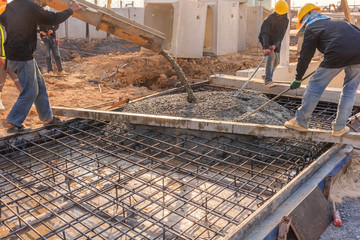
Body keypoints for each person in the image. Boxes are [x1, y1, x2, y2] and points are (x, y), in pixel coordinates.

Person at [0, 0, 81, 133]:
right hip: (23, 55)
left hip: (14, 54)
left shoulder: (11, 6)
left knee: (40, 85)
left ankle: (47, 119)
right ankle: (12, 122)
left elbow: (3, 21)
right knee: (30, 91)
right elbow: (53, 19)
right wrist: (71, 10)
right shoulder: (32, 7)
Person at [284, 3, 360, 137]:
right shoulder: (341, 22)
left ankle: (301, 122)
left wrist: (298, 78)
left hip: (337, 54)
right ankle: (339, 127)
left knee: (315, 86)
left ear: (305, 18)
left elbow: (305, 57)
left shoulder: (311, 28)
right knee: (350, 90)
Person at [258, 0, 289, 88]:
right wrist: (266, 47)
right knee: (271, 58)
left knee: (277, 61)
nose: (279, 15)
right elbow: (265, 33)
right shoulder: (269, 19)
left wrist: (275, 45)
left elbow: (281, 35)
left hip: (276, 41)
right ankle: (268, 80)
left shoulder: (285, 20)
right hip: (266, 39)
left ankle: (266, 76)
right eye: (278, 13)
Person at [0, 4, 22, 110]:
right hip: (1, 59)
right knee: (1, 81)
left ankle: (26, 100)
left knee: (19, 79)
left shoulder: (7, 26)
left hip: (11, 58)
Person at [39, 5, 64, 75]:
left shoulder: (52, 18)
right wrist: (40, 32)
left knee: (57, 55)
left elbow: (57, 25)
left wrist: (52, 30)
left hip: (52, 39)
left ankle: (60, 70)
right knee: (47, 56)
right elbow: (35, 28)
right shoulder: (39, 19)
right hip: (45, 40)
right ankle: (50, 71)